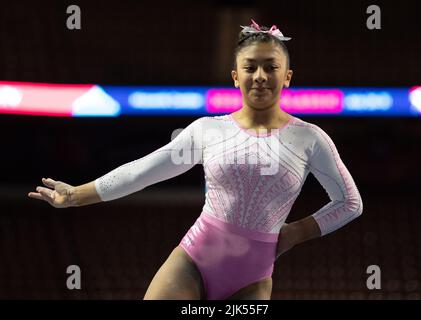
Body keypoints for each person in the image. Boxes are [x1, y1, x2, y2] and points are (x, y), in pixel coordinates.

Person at [27, 19, 363, 300]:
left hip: (253, 277)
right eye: (250, 67)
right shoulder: (207, 130)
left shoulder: (309, 138)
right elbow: (143, 172)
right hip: (194, 258)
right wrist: (75, 195)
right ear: (236, 76)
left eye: (271, 67)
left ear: (287, 76)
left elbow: (349, 202)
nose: (260, 75)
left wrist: (294, 233)